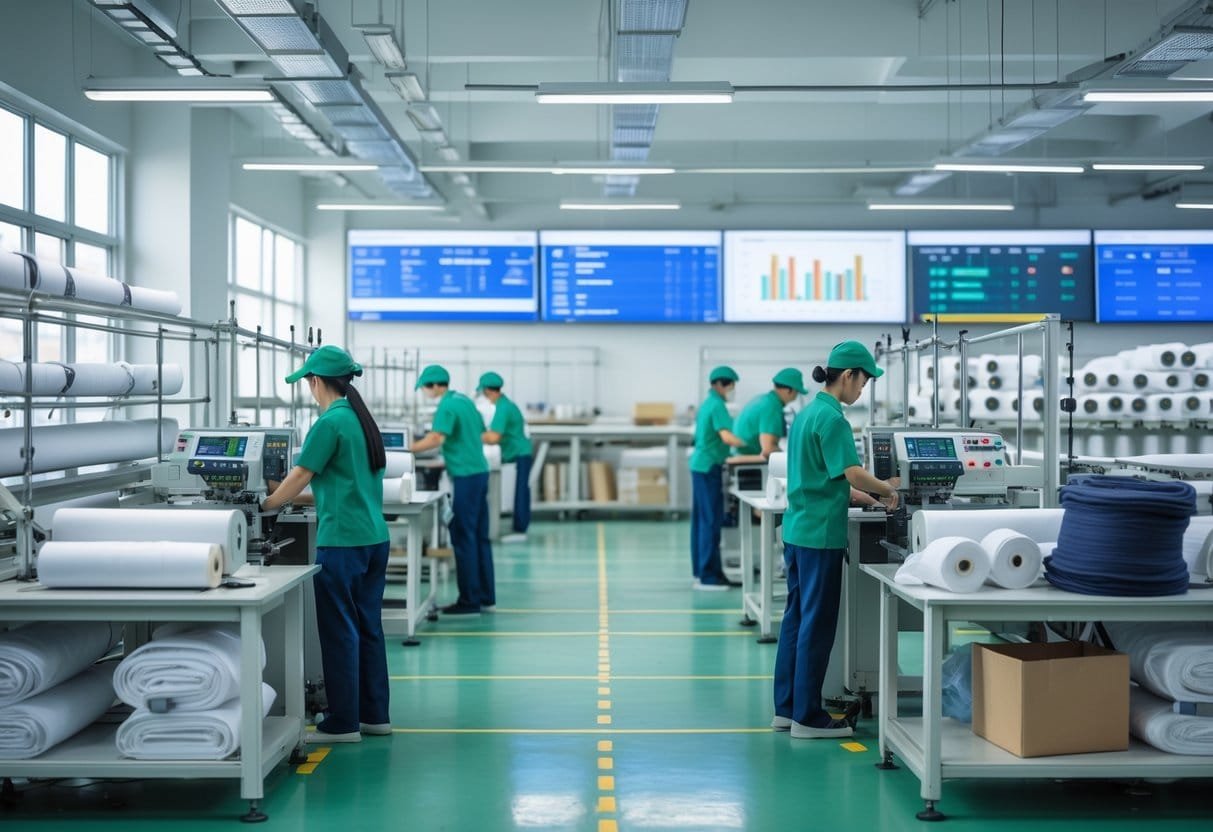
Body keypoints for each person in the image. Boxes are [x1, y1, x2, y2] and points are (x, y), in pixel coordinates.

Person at [261, 345, 390, 744]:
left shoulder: (330, 422)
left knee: (340, 630)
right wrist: (284, 494)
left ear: (317, 382)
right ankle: (374, 716)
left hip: (343, 543)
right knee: (368, 627)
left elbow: (302, 474)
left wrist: (266, 505)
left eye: (308, 383)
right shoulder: (359, 421)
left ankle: (342, 722)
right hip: (373, 539)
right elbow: (333, 487)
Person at [773, 341, 899, 740]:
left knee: (795, 621)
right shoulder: (834, 419)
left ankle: (788, 708)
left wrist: (863, 496)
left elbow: (824, 477)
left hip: (797, 531)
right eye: (863, 382)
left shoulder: (809, 413)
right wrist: (886, 491)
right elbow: (850, 472)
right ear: (848, 376)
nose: (862, 390)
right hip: (820, 536)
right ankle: (809, 719)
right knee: (817, 624)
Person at [410, 365, 494, 615]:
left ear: (436, 385)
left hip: (467, 475)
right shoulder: (465, 401)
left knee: (462, 535)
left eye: (425, 387)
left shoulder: (446, 405)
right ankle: (485, 596)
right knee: (479, 536)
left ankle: (469, 601)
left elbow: (437, 438)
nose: (425, 392)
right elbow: (474, 434)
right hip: (479, 472)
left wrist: (406, 448)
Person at [689, 365, 746, 590]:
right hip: (708, 468)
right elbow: (727, 437)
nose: (732, 390)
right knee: (710, 522)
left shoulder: (708, 404)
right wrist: (750, 445)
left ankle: (701, 571)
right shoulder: (717, 405)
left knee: (702, 522)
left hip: (700, 466)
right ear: (723, 384)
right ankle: (708, 576)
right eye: (731, 385)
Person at [479, 371, 533, 544]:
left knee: (521, 491)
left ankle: (520, 529)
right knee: (521, 490)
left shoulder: (503, 408)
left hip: (520, 452)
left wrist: (472, 435)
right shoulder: (505, 404)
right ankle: (519, 526)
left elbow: (494, 437)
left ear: (488, 391)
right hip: (517, 451)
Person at [732, 367, 806, 459]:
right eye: (797, 391)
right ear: (789, 390)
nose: (797, 395)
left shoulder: (765, 399)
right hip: (746, 459)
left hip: (740, 454)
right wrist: (792, 458)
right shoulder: (772, 407)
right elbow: (768, 449)